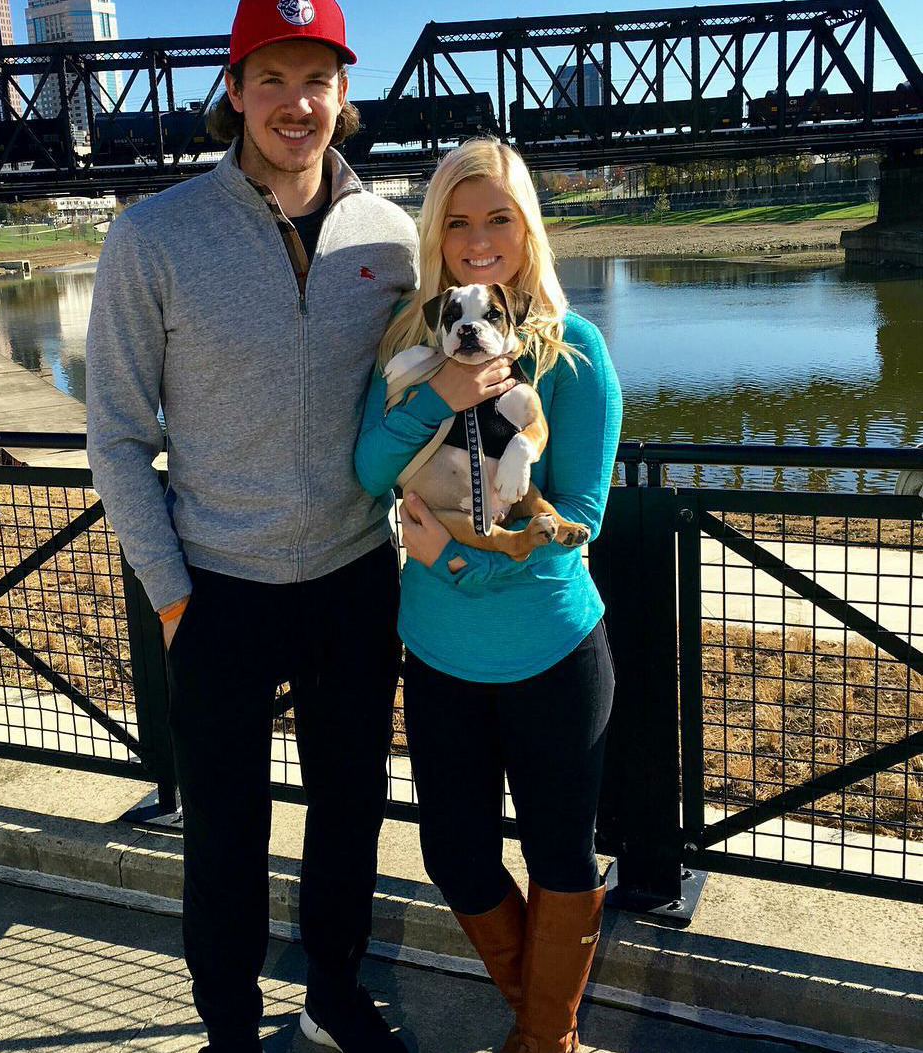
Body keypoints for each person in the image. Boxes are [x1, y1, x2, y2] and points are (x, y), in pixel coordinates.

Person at [85, 2, 417, 1050]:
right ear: (232, 90)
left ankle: (331, 993)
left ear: (341, 95)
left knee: (349, 807)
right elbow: (117, 436)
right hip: (216, 582)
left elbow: (424, 393)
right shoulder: (153, 234)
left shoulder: (394, 235)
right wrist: (171, 592)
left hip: (357, 572)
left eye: (315, 77)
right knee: (224, 830)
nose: (295, 102)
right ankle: (226, 1020)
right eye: (269, 78)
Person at [355, 138, 622, 1053]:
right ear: (435, 233)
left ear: (527, 230)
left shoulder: (573, 349)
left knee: (559, 854)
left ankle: (545, 1039)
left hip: (551, 644)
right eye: (458, 220)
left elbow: (577, 515)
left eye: (497, 218)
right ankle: (544, 1026)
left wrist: (452, 559)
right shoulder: (410, 340)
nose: (478, 239)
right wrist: (445, 391)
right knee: (454, 855)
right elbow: (367, 466)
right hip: (437, 653)